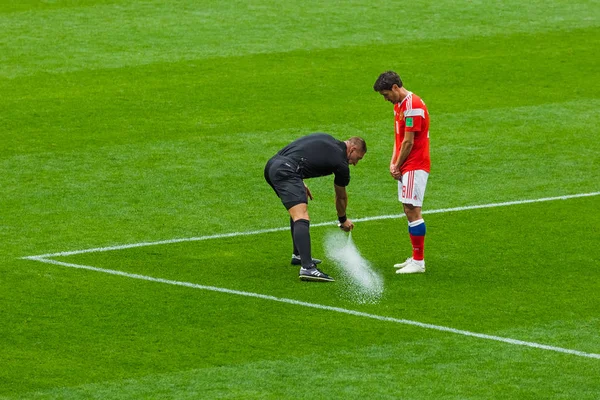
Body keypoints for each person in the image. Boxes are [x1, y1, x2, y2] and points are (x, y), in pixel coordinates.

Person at [264, 133, 367, 282]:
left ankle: (299, 254)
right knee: (301, 215)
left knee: (298, 207)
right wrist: (343, 219)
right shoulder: (341, 163)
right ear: (353, 148)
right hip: (286, 170)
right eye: (358, 158)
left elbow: (303, 152)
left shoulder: (328, 139)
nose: (356, 163)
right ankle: (308, 268)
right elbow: (341, 196)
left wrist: (299, 182)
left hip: (273, 165)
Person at [373, 71, 430, 274]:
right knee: (408, 209)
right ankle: (415, 258)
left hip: (415, 164)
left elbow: (409, 141)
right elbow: (398, 138)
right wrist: (393, 162)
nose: (386, 99)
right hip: (406, 164)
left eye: (386, 94)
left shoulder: (412, 106)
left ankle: (419, 262)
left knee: (413, 209)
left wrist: (398, 164)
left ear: (395, 88)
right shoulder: (400, 105)